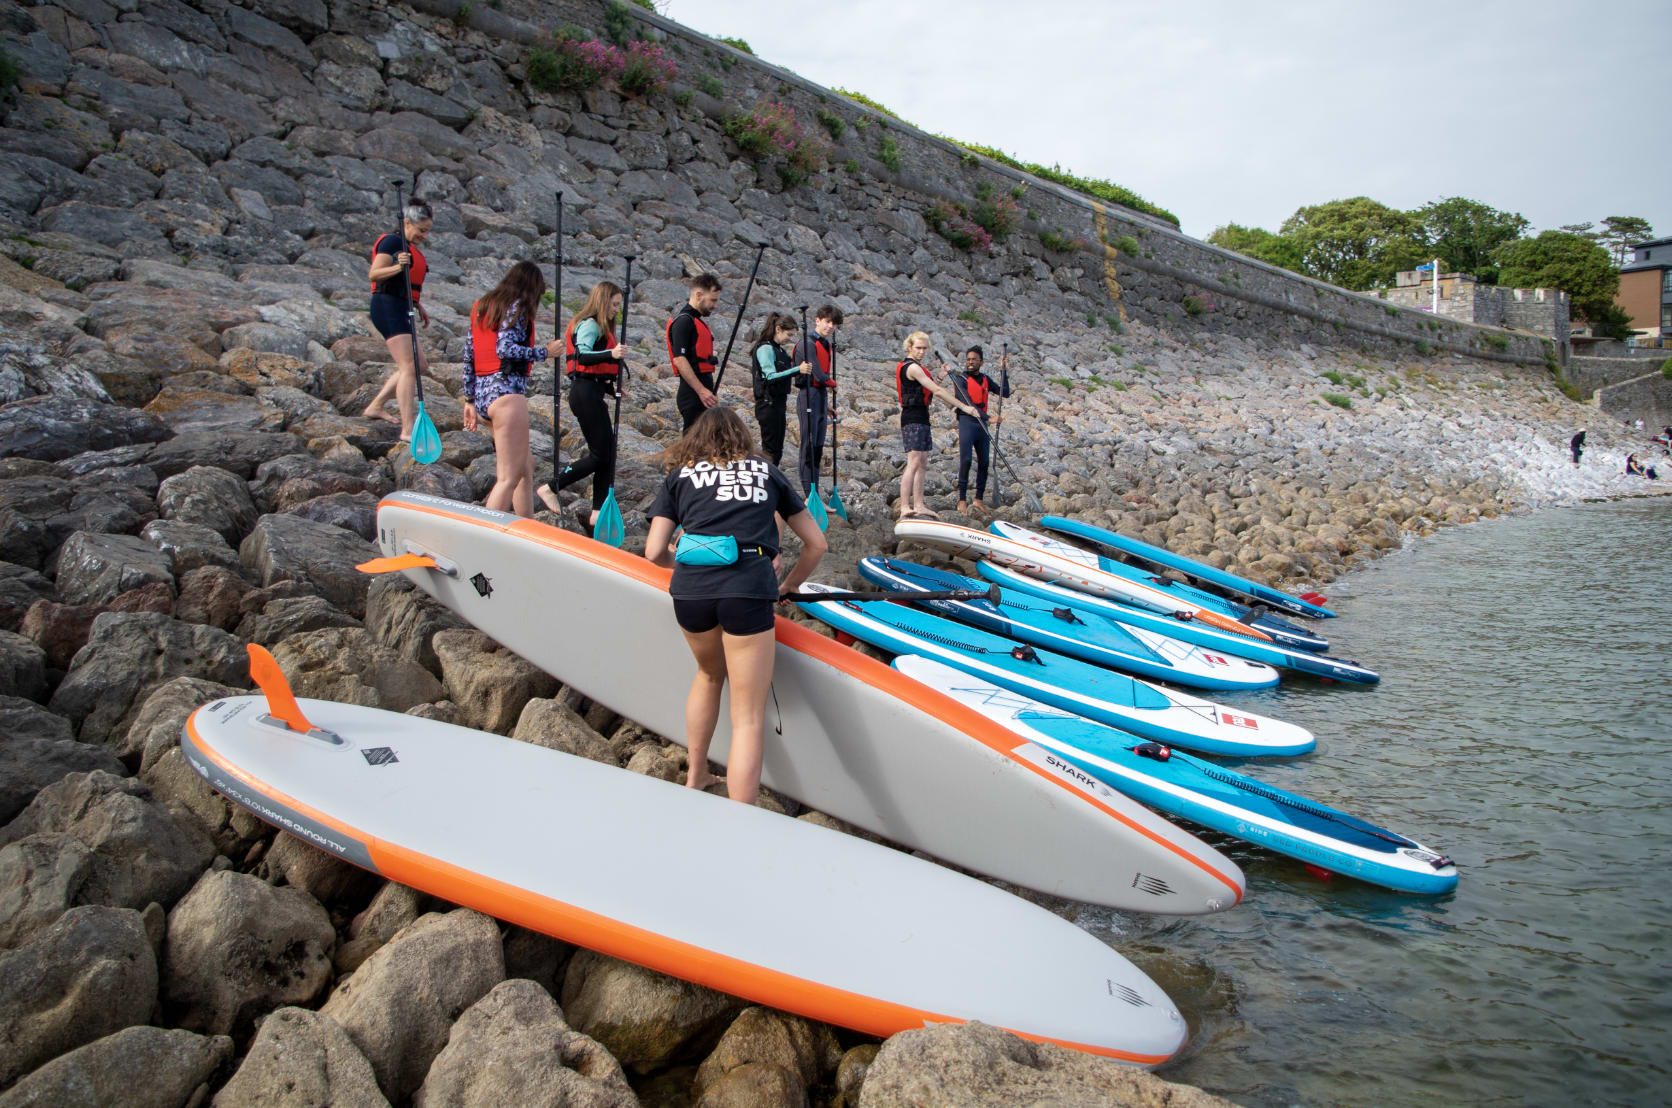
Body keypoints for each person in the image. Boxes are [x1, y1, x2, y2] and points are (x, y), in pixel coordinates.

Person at [643, 406, 827, 804]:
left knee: (709, 675)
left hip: (690, 591)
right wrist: (790, 585)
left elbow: (655, 551)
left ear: (696, 440)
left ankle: (696, 776)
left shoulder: (680, 477)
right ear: (743, 438)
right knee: (747, 717)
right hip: (747, 589)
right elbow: (817, 544)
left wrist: (687, 564)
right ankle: (739, 819)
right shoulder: (767, 472)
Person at [462, 261, 563, 517]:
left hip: (485, 395)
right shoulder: (516, 306)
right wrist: (545, 352)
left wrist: (470, 400)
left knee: (525, 467)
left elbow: (469, 353)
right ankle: (483, 535)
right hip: (506, 394)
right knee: (507, 477)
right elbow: (505, 349)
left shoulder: (482, 306)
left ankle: (524, 527)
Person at [535, 281, 630, 530]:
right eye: (615, 305)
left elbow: (593, 371)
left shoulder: (600, 327)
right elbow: (582, 356)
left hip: (592, 392)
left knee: (607, 454)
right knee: (600, 455)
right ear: (603, 301)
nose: (617, 310)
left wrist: (611, 388)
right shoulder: (590, 324)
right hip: (584, 394)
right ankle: (550, 487)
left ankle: (598, 512)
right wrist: (612, 354)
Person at [361, 199, 433, 441]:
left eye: (427, 231)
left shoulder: (407, 246)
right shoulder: (392, 242)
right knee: (409, 366)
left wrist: (417, 303)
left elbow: (406, 283)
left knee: (419, 365)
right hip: (387, 305)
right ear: (407, 223)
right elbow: (374, 273)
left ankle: (376, 405)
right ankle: (407, 428)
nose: (424, 235)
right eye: (421, 230)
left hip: (401, 304)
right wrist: (397, 267)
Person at [895, 331, 981, 519]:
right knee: (914, 462)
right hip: (912, 417)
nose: (921, 352)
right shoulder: (911, 368)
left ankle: (919, 505)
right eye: (918, 348)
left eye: (924, 348)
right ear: (910, 347)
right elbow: (936, 390)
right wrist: (964, 407)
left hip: (922, 416)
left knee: (923, 462)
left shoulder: (919, 367)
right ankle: (904, 506)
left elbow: (929, 388)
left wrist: (940, 376)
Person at [949, 344, 1011, 515]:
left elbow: (1005, 392)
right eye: (968, 359)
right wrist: (989, 418)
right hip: (967, 421)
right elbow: (968, 402)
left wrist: (1003, 372)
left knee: (984, 462)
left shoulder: (985, 379)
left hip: (981, 426)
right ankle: (961, 500)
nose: (970, 362)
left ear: (981, 362)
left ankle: (978, 500)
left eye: (974, 360)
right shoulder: (960, 379)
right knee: (966, 460)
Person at [793, 304, 842, 495]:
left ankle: (815, 493)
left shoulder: (826, 344)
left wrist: (827, 404)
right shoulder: (807, 343)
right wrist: (833, 383)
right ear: (817, 320)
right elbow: (819, 374)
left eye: (834, 324)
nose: (830, 327)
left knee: (819, 446)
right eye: (827, 322)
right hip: (808, 395)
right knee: (808, 444)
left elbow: (823, 379)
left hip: (820, 398)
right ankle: (808, 493)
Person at [749, 312, 806, 467]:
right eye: (789, 334)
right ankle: (767, 478)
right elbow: (770, 377)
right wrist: (797, 370)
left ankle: (771, 477)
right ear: (778, 329)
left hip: (779, 404)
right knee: (770, 448)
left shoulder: (780, 350)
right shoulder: (766, 348)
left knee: (778, 448)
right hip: (768, 404)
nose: (790, 339)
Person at [667, 274, 722, 432]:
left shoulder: (696, 321)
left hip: (702, 393)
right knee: (693, 446)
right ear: (699, 295)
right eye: (713, 300)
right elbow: (680, 360)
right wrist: (701, 391)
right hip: (692, 395)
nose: (715, 305)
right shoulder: (684, 321)